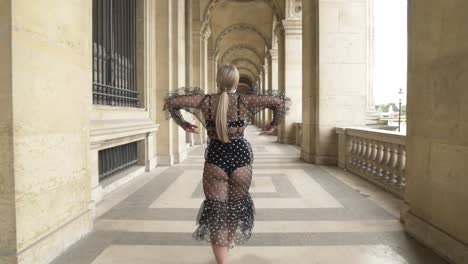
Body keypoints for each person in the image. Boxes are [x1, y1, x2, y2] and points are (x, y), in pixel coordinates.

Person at [163, 64, 290, 264]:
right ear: (236, 82)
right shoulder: (245, 101)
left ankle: (222, 260)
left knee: (217, 212)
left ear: (217, 80)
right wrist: (273, 124)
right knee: (235, 208)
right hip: (241, 160)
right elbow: (279, 102)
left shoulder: (205, 101)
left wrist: (183, 124)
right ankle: (228, 244)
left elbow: (172, 102)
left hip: (215, 160)